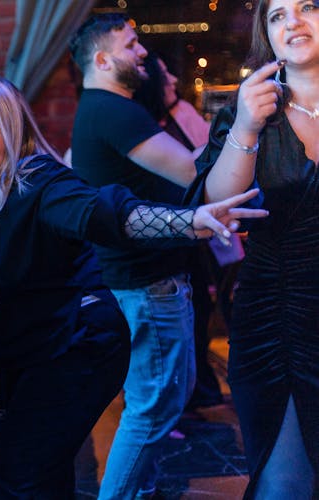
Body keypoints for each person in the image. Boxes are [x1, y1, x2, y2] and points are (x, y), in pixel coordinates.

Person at [0, 75, 268, 499]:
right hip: (28, 346)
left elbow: (108, 213)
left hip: (79, 345)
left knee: (16, 475)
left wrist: (188, 222)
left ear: (14, 135)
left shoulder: (40, 182)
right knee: (44, 472)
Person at [185, 0, 319, 496]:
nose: (293, 22)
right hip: (277, 314)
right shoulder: (252, 109)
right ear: (267, 34)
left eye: (308, 6)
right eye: (278, 15)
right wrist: (245, 125)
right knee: (286, 481)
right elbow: (221, 207)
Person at [69, 13, 204, 499]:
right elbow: (194, 171)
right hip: (147, 282)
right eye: (131, 45)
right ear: (103, 60)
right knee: (152, 408)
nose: (143, 51)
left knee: (164, 398)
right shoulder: (114, 111)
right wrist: (243, 130)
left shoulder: (105, 107)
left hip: (143, 279)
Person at [134, 52, 226, 411]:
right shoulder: (139, 122)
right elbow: (196, 166)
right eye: (165, 74)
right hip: (170, 231)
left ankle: (195, 390)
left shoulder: (183, 113)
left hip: (195, 226)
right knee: (182, 318)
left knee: (200, 309)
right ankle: (177, 404)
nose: (173, 79)